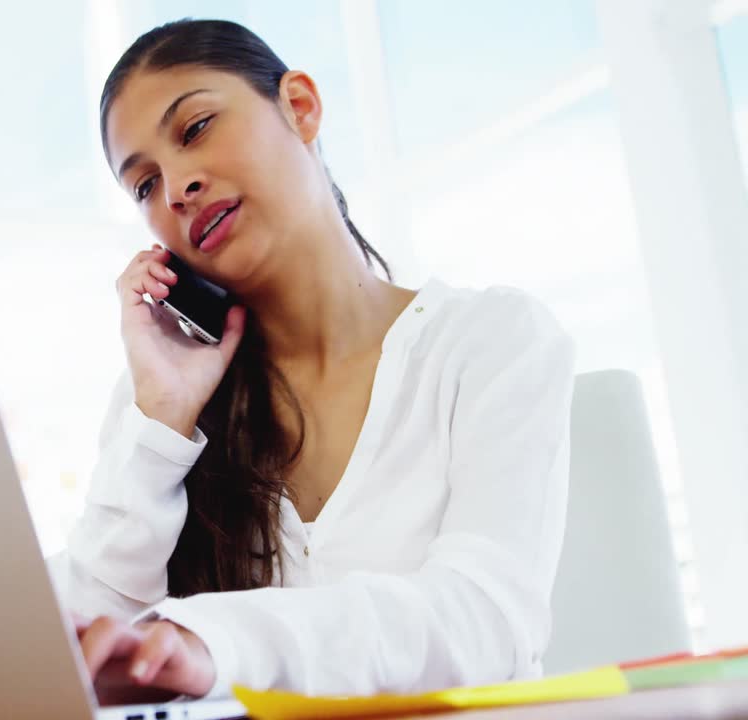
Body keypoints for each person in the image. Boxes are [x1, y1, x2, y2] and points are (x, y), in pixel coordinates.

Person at [47, 18, 576, 704]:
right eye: (145, 185)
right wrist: (160, 423)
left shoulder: (490, 341)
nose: (175, 187)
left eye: (196, 128)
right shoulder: (162, 398)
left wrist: (214, 644)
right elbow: (87, 662)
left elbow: (485, 619)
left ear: (299, 107)